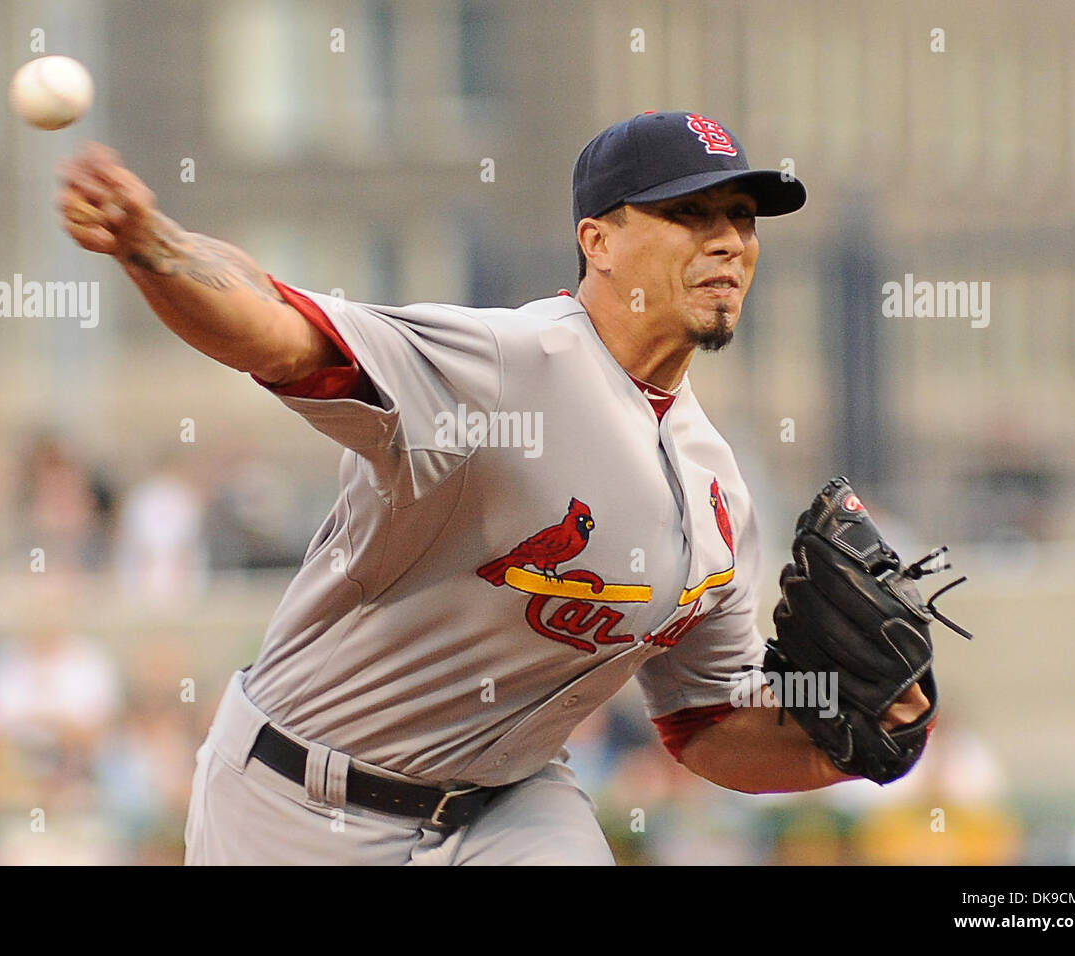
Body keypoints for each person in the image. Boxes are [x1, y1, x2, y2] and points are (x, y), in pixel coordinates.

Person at [57, 110, 929, 865]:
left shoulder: (718, 492)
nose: (728, 240)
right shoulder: (507, 369)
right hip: (300, 795)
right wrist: (151, 246)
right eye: (688, 212)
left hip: (512, 807)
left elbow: (706, 727)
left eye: (741, 217)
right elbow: (282, 336)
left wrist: (863, 740)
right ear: (598, 240)